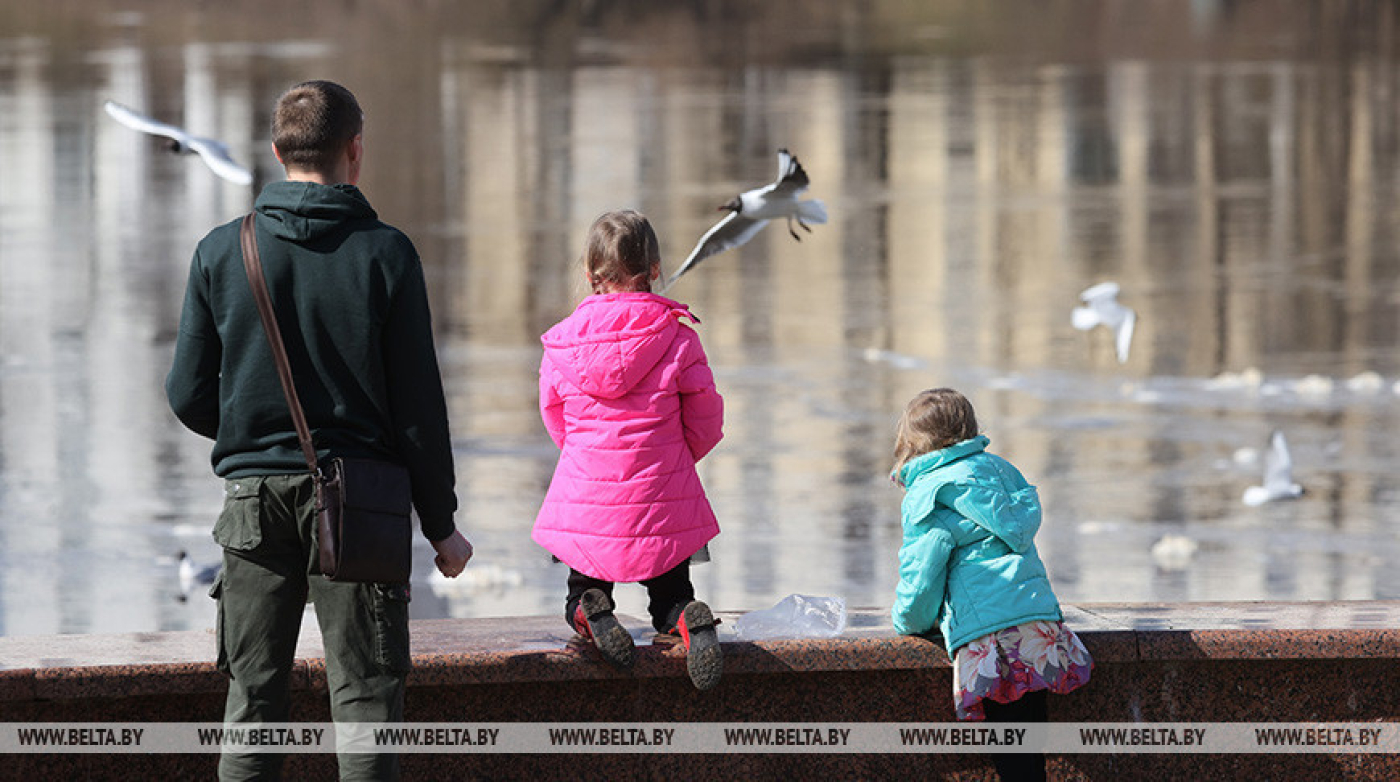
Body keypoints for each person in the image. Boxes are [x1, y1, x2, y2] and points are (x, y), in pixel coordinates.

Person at [165, 80, 473, 781]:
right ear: (354, 151)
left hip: (251, 506)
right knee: (365, 706)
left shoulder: (221, 251)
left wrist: (248, 432)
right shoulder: (387, 255)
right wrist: (441, 524)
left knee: (253, 706)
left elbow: (185, 394)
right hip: (360, 505)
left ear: (277, 153)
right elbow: (418, 409)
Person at [533, 210, 725, 691]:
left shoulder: (563, 343)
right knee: (670, 593)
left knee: (584, 585)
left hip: (588, 494)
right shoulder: (678, 337)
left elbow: (555, 418)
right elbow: (706, 418)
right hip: (661, 490)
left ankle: (589, 609)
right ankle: (685, 617)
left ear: (589, 274)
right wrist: (674, 458)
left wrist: (589, 458)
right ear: (655, 268)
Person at [890, 388, 1091, 782]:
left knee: (1011, 752)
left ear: (911, 442)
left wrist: (908, 620)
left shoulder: (929, 493)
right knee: (1028, 745)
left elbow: (922, 575)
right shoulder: (1000, 472)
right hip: (1038, 623)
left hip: (992, 636)